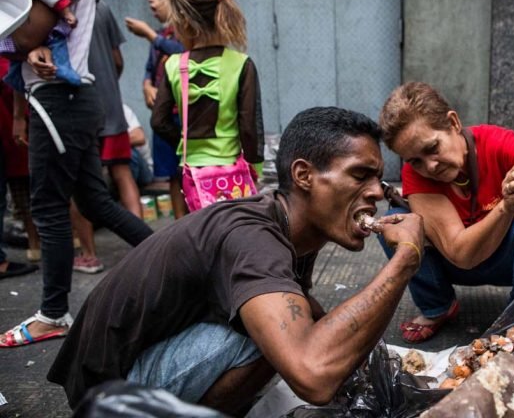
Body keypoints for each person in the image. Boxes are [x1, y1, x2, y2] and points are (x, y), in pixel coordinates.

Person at [47, 106, 425, 417]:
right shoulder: (253, 237)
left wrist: (358, 358)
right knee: (278, 340)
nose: (377, 192)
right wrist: (404, 260)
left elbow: (303, 307)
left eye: (377, 178)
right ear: (304, 175)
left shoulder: (292, 226)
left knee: (293, 324)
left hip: (136, 364)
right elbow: (313, 375)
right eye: (360, 175)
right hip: (111, 398)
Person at [377, 82, 514, 343]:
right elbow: (461, 255)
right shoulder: (417, 177)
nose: (430, 166)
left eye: (432, 148)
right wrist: (506, 207)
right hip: (457, 264)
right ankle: (437, 306)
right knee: (394, 223)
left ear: (453, 123)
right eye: (415, 160)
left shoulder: (497, 144)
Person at [0, 0, 154, 348]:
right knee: (94, 202)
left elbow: (24, 34)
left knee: (49, 208)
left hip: (58, 100)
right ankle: (174, 253)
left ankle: (53, 314)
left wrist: (25, 46)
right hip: (70, 98)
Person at [150, 0, 263, 212]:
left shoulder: (173, 65)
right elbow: (250, 130)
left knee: (203, 236)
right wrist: (255, 170)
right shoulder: (241, 64)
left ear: (184, 20)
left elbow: (159, 121)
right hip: (233, 175)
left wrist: (186, 142)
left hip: (193, 174)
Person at [69, 0, 142, 274]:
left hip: (78, 106)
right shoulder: (102, 7)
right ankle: (144, 249)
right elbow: (118, 60)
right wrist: (109, 85)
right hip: (110, 107)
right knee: (122, 173)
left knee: (81, 184)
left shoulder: (58, 11)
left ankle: (88, 254)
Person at [125, 0, 186, 218]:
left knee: (187, 171)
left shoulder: (185, 33)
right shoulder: (162, 34)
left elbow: (181, 52)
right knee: (171, 174)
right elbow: (150, 68)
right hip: (163, 116)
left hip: (183, 116)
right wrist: (146, 85)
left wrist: (150, 34)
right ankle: (180, 224)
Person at [0, 0, 81, 91]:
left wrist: (64, 11)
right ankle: (60, 66)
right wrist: (65, 11)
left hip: (15, 26)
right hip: (16, 24)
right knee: (56, 40)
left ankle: (16, 77)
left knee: (54, 40)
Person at [0, 57, 38, 278]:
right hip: (15, 136)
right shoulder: (8, 54)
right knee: (31, 193)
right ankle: (36, 243)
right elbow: (12, 83)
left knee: (23, 196)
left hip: (14, 138)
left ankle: (34, 244)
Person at [124, 103, 154, 188]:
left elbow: (139, 137)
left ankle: (129, 193)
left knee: (129, 153)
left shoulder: (122, 109)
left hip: (144, 170)